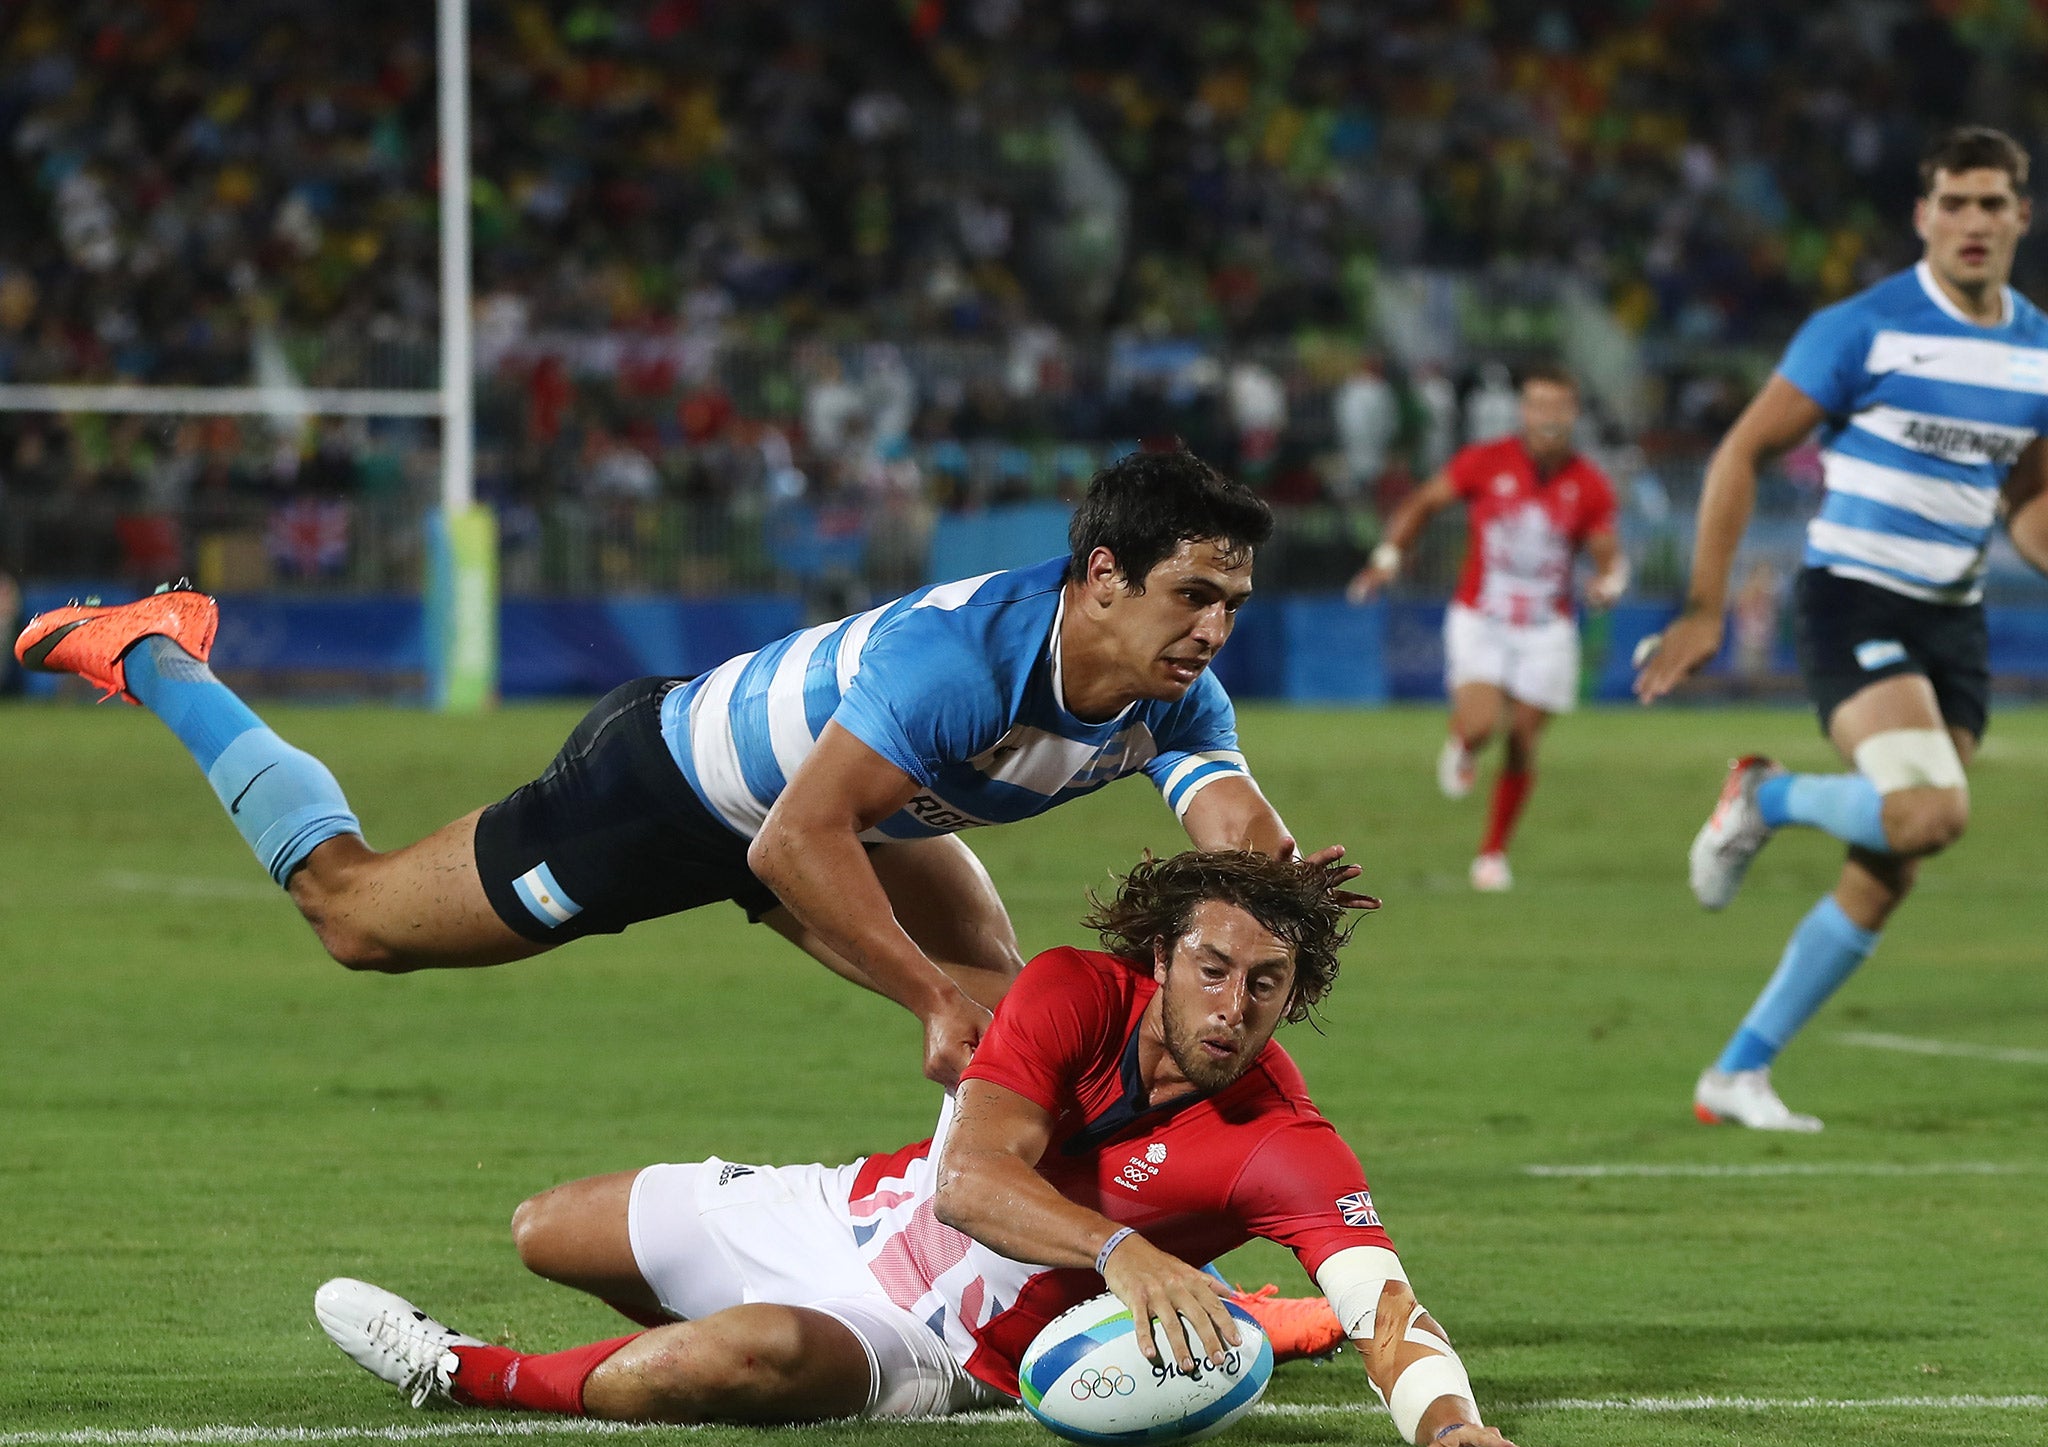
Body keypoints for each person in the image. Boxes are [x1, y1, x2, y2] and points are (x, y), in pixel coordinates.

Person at [15, 451, 1369, 1088]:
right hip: (671, 795)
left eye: (1233, 604)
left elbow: (1236, 824)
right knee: (354, 916)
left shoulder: (1175, 691)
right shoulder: (962, 664)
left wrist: (1288, 889)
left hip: (847, 809)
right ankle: (157, 653)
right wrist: (919, 1003)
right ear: (1102, 579)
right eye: (1194, 594)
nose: (1215, 629)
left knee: (1017, 1013)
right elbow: (789, 846)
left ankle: (1119, 1272)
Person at [314, 850, 1537, 1447]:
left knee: (756, 1353)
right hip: (844, 1217)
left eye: (1265, 986)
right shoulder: (1066, 990)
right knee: (545, 1229)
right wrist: (1120, 1251)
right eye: (1210, 971)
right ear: (1160, 959)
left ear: (1292, 997)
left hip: (944, 1348)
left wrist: (1444, 1420)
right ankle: (678, 1368)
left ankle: (473, 1375)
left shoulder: (1281, 1140)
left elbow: (1383, 1297)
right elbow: (968, 1181)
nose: (1231, 1006)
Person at [1635, 127, 2048, 1132]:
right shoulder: (1862, 327)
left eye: (1991, 203)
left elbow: (2027, 499)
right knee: (1925, 814)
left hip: (1950, 619)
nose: (1971, 222)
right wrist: (1702, 604)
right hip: (1852, 600)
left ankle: (1734, 1073)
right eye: (1952, 202)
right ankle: (1763, 794)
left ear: (2019, 218)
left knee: (1891, 862)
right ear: (1922, 216)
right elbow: (1738, 453)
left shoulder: (2035, 345)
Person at [1347, 366, 1627, 891]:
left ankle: (1492, 853)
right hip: (1483, 617)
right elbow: (1423, 503)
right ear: (1524, 412)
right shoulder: (1487, 460)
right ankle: (1464, 743)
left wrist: (1609, 583)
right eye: (1539, 405)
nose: (1549, 417)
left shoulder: (1588, 482)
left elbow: (1609, 553)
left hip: (1547, 626)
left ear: (1574, 416)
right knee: (1481, 725)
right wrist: (1387, 557)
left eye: (1559, 407)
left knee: (1523, 739)